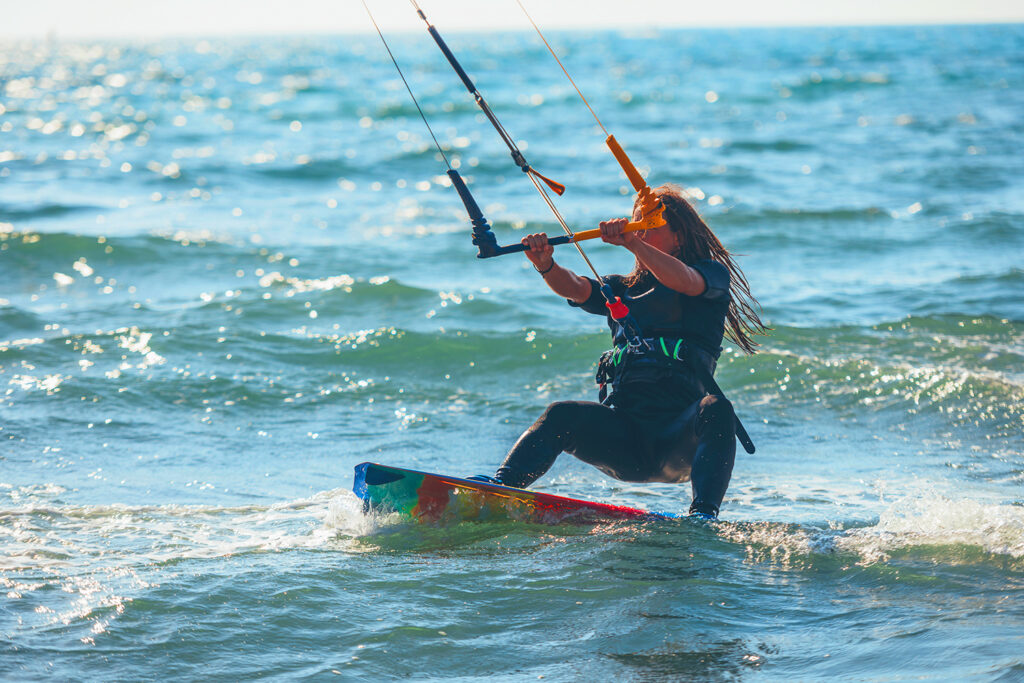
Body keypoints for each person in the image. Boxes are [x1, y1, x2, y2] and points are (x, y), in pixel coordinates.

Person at [472, 184, 768, 519]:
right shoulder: (620, 289)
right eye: (635, 225)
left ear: (679, 236)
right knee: (561, 413)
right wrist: (546, 265)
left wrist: (631, 241)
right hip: (625, 439)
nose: (638, 232)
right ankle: (499, 488)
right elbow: (577, 288)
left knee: (717, 408)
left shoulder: (710, 276)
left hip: (678, 441)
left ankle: (703, 515)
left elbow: (684, 280)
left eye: (649, 227)